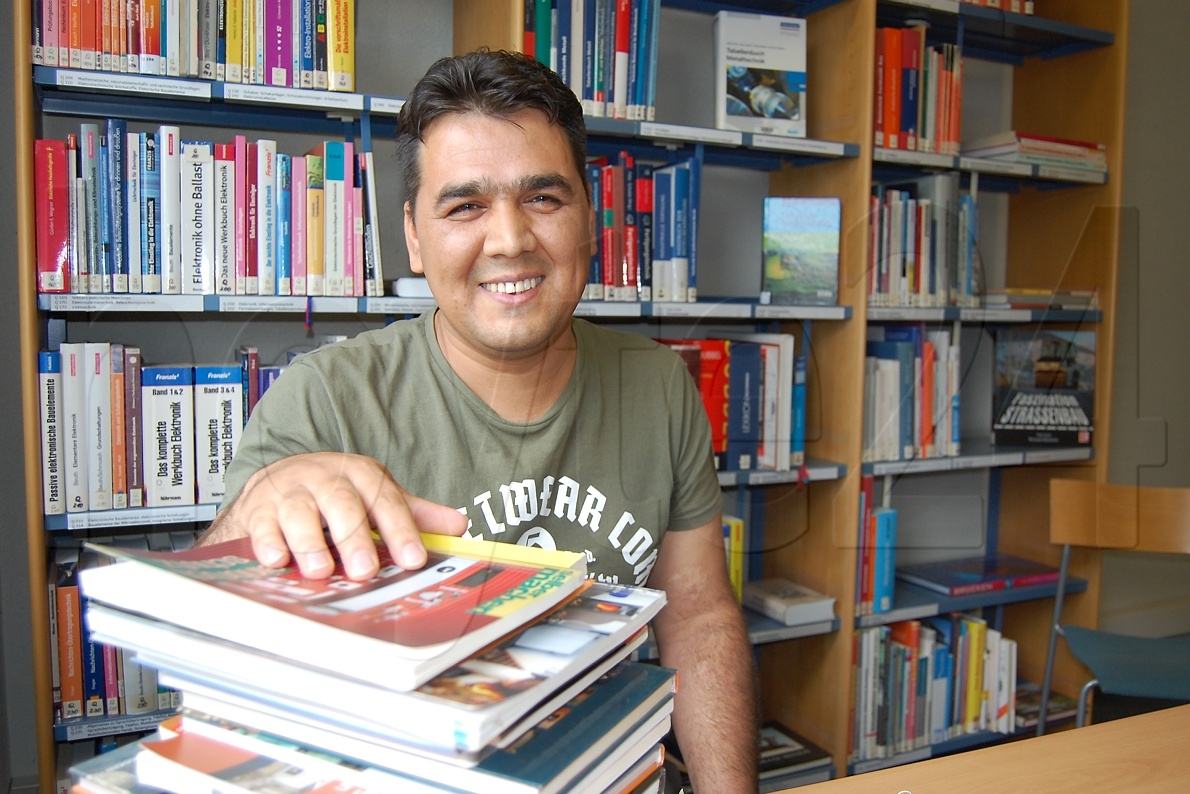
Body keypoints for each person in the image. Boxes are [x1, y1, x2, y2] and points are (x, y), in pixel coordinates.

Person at [199, 49, 758, 792]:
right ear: (415, 238)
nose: (509, 240)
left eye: (543, 198)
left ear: (588, 215)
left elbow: (697, 617)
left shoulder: (659, 384)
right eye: (465, 206)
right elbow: (211, 642)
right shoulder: (326, 397)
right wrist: (255, 508)